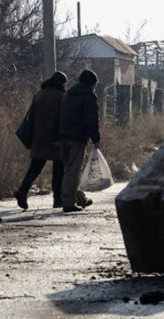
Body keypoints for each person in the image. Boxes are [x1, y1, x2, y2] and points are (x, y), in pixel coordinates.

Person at [14, 72, 68, 210]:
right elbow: (62, 117)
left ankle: (23, 189)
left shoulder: (40, 94)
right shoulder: (61, 96)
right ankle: (57, 199)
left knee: (36, 166)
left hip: (39, 135)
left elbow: (31, 116)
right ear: (62, 83)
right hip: (55, 136)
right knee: (59, 168)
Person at [56, 70, 100, 213]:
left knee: (71, 168)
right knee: (73, 170)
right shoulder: (88, 96)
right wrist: (96, 139)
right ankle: (68, 202)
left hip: (63, 136)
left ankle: (80, 198)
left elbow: (58, 114)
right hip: (77, 137)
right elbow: (91, 119)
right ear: (92, 83)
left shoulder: (68, 94)